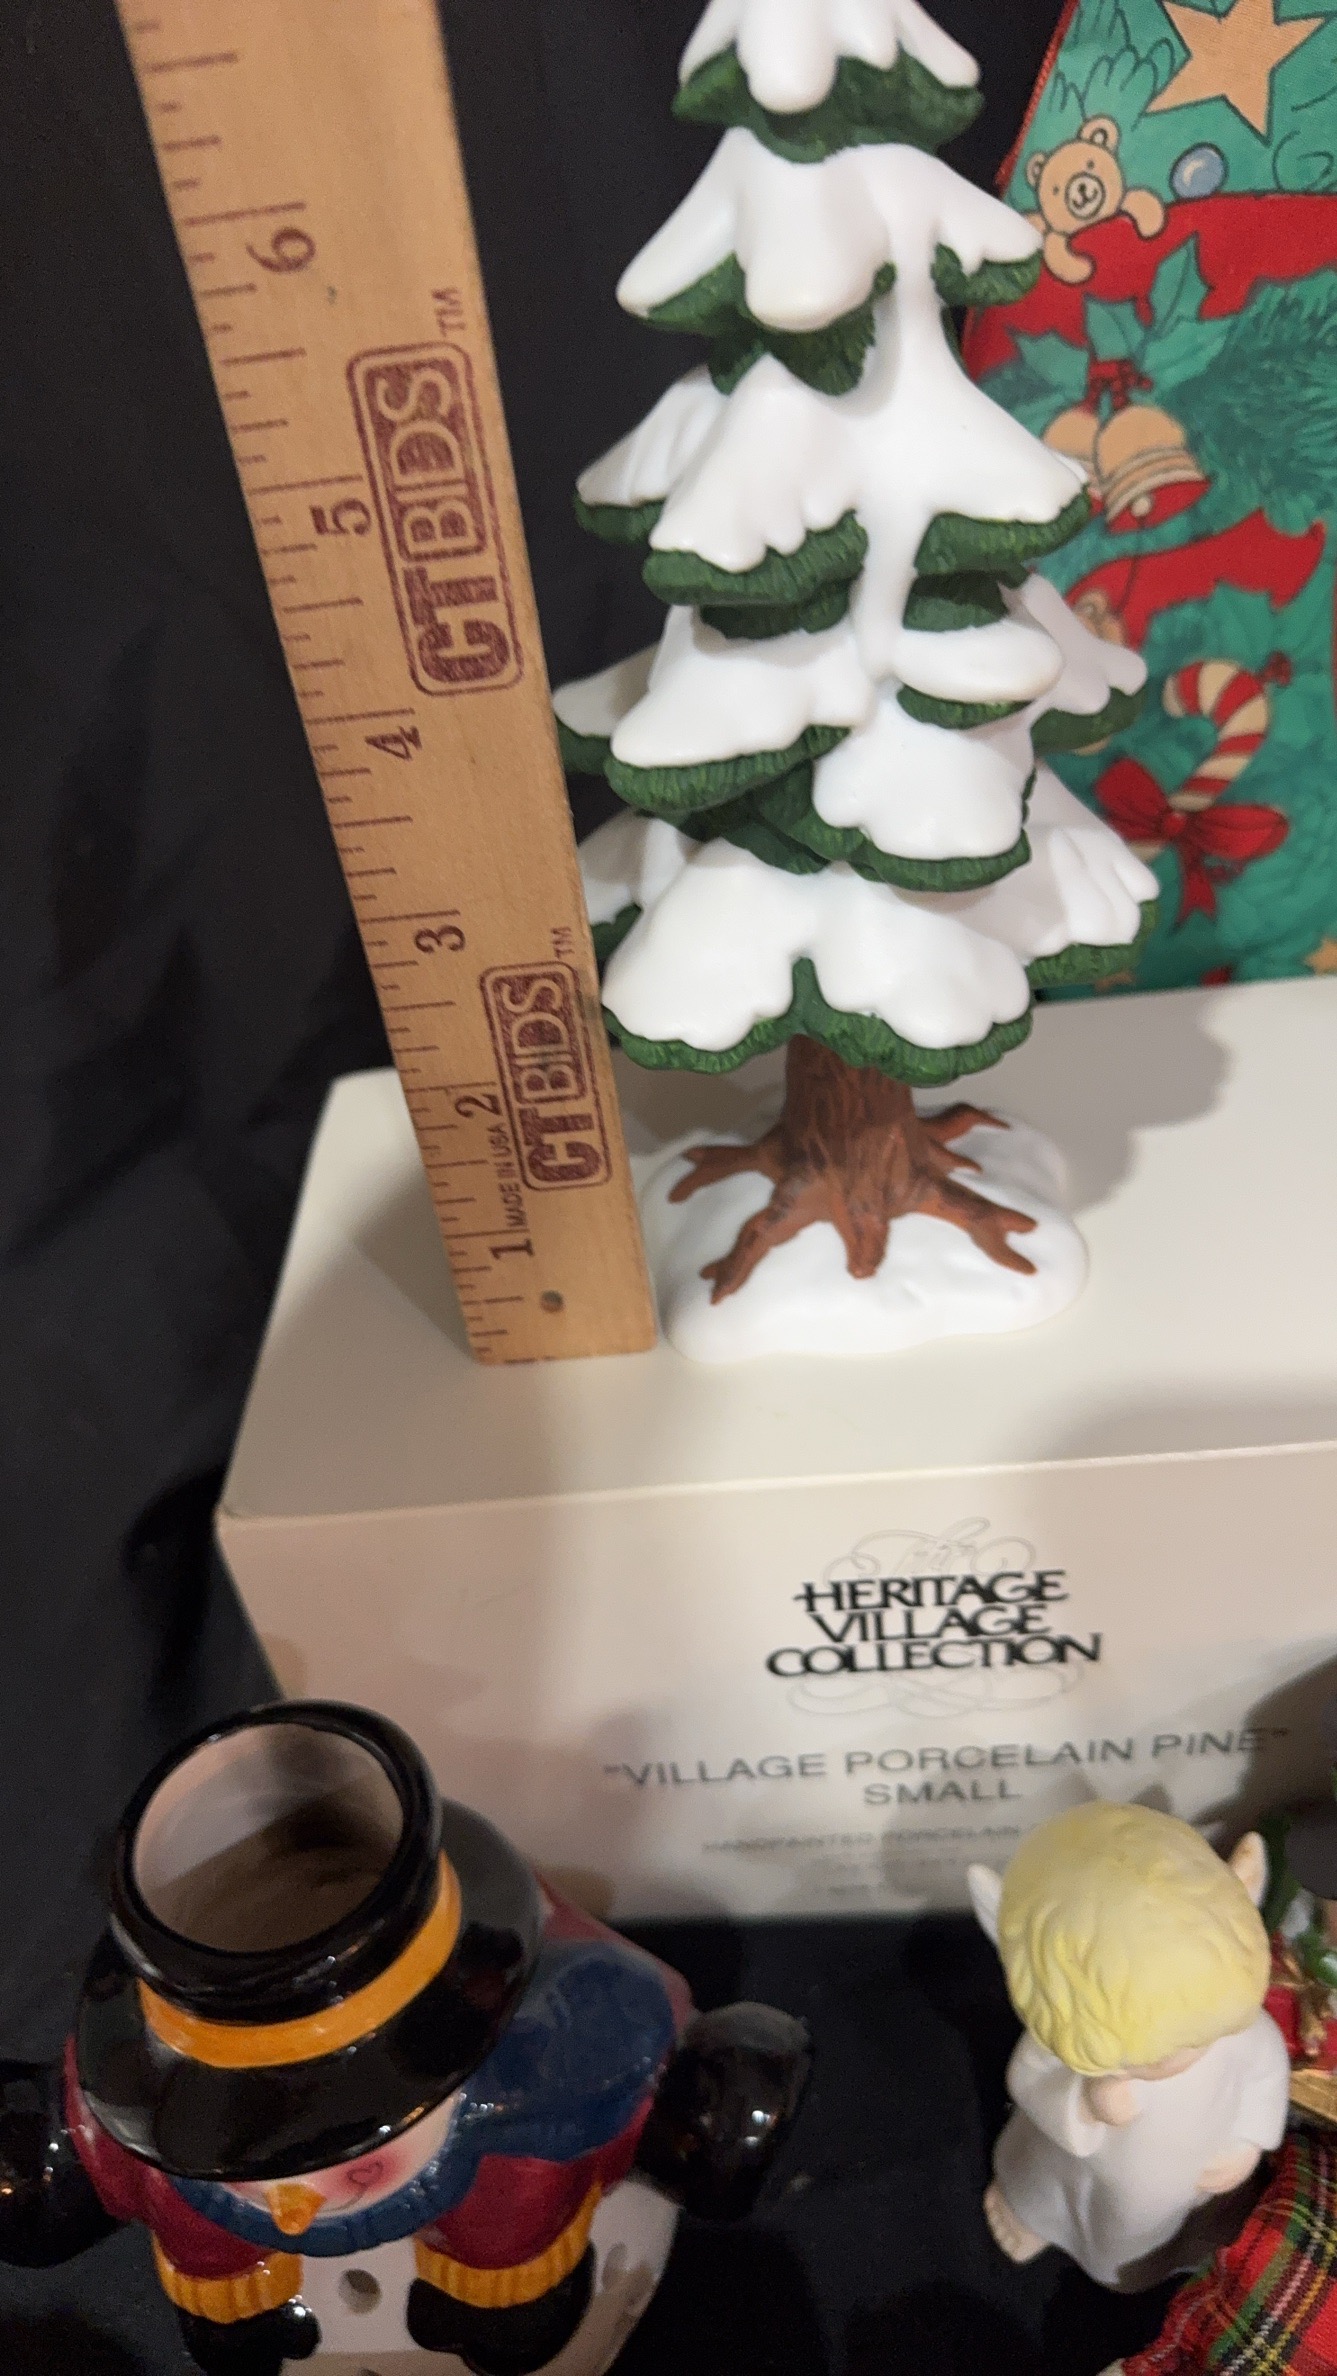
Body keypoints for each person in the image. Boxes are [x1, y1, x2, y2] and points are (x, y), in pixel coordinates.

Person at [969, 1800, 1290, 2291]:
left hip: (1173, 2184)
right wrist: (1086, 2101)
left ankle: (1145, 2262)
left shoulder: (1236, 2028)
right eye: (1144, 2058)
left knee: (1147, 2238)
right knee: (1043, 2184)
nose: (1175, 2058)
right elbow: (1030, 2078)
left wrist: (1248, 2143)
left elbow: (1266, 2075)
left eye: (1195, 2039)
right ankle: (1031, 2215)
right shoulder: (1072, 2033)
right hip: (1070, 2161)